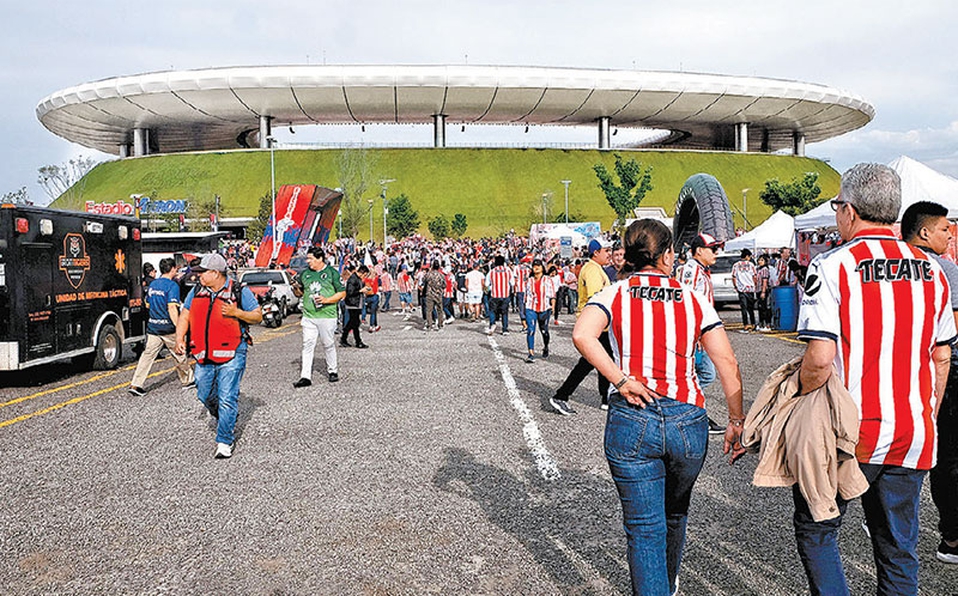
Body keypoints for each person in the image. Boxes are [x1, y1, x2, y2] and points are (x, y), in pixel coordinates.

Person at [795, 164, 957, 595]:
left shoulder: (833, 266)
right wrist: (928, 412)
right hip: (912, 430)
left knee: (818, 526)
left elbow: (820, 357)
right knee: (899, 547)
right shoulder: (933, 271)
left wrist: (799, 403)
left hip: (852, 432)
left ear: (848, 211)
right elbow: (942, 355)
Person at [573, 219, 745, 596]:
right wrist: (736, 419)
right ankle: (668, 581)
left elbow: (582, 334)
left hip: (633, 413)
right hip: (686, 415)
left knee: (644, 527)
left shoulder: (616, 292)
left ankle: (658, 587)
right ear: (668, 255)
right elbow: (727, 364)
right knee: (675, 511)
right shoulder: (693, 298)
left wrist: (620, 379)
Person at [901, 200, 958, 565]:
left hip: (899, 371)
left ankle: (884, 517)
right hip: (945, 371)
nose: (950, 235)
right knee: (948, 454)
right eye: (944, 229)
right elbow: (950, 332)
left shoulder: (889, 265)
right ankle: (952, 538)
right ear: (924, 232)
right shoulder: (945, 269)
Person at [174, 253, 262, 459]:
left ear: (215, 273)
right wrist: (180, 338)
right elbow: (185, 314)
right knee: (203, 394)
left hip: (233, 351)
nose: (198, 277)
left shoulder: (240, 291)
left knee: (227, 397)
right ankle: (225, 417)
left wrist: (236, 313)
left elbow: (257, 315)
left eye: (202, 273)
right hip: (204, 353)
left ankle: (224, 440)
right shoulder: (196, 291)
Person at [548, 237, 612, 415]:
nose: (609, 254)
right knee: (590, 362)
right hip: (594, 323)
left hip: (598, 324)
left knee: (604, 359)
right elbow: (596, 297)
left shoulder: (596, 268)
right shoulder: (592, 270)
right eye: (606, 251)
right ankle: (561, 395)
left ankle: (605, 397)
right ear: (596, 252)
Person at [679, 232, 727, 435]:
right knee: (705, 374)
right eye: (713, 249)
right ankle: (690, 412)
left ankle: (694, 413)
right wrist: (694, 333)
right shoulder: (691, 270)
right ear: (699, 251)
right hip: (696, 334)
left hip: (702, 333)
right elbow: (686, 302)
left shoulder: (701, 269)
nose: (717, 252)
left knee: (701, 374)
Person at [129, 257, 194, 396]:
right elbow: (172, 308)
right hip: (168, 328)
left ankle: (136, 384)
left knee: (147, 356)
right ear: (172, 269)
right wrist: (179, 329)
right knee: (179, 353)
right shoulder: (172, 286)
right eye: (175, 268)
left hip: (153, 327)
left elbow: (147, 304)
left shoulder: (153, 284)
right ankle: (188, 380)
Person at [292, 247, 346, 387]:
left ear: (320, 258)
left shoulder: (332, 273)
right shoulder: (305, 275)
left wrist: (326, 300)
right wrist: (295, 289)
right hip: (309, 315)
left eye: (310, 258)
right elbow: (300, 294)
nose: (308, 261)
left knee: (328, 343)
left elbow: (342, 293)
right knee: (307, 344)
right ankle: (305, 376)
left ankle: (332, 371)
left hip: (327, 315)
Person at [523, 259, 556, 363]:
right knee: (531, 330)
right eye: (534, 266)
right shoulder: (529, 280)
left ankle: (546, 346)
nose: (536, 267)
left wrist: (553, 306)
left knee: (544, 331)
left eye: (538, 265)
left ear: (542, 268)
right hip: (531, 307)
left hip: (544, 308)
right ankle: (531, 353)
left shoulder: (547, 279)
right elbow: (526, 295)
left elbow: (552, 294)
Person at [341, 264, 370, 349]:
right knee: (355, 323)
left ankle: (344, 339)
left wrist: (365, 289)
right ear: (362, 272)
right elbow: (350, 292)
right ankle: (358, 341)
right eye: (365, 275)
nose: (364, 277)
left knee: (353, 323)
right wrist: (361, 290)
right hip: (352, 304)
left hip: (357, 304)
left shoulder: (358, 279)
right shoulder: (353, 279)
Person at [485, 255, 513, 335]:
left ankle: (492, 324)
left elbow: (487, 284)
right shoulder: (508, 271)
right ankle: (505, 329)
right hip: (505, 295)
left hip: (495, 295)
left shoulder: (492, 271)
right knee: (504, 312)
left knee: (492, 311)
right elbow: (512, 283)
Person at [731, 248, 757, 332]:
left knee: (744, 308)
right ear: (747, 256)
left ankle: (746, 324)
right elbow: (754, 276)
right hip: (750, 288)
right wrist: (755, 285)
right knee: (751, 308)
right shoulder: (751, 265)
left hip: (741, 289)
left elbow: (734, 277)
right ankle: (753, 324)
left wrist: (736, 286)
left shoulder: (736, 265)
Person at [423, 261, 446, 330]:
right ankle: (440, 324)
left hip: (429, 293)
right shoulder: (441, 275)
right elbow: (444, 285)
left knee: (429, 310)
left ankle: (429, 325)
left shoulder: (429, 274)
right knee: (440, 310)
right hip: (438, 294)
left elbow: (423, 280)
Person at [755, 253, 772, 332]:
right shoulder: (758, 269)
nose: (760, 261)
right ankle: (761, 323)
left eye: (762, 260)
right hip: (758, 290)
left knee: (764, 307)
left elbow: (765, 281)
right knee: (760, 308)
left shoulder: (765, 269)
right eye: (759, 260)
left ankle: (767, 324)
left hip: (763, 290)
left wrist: (763, 291)